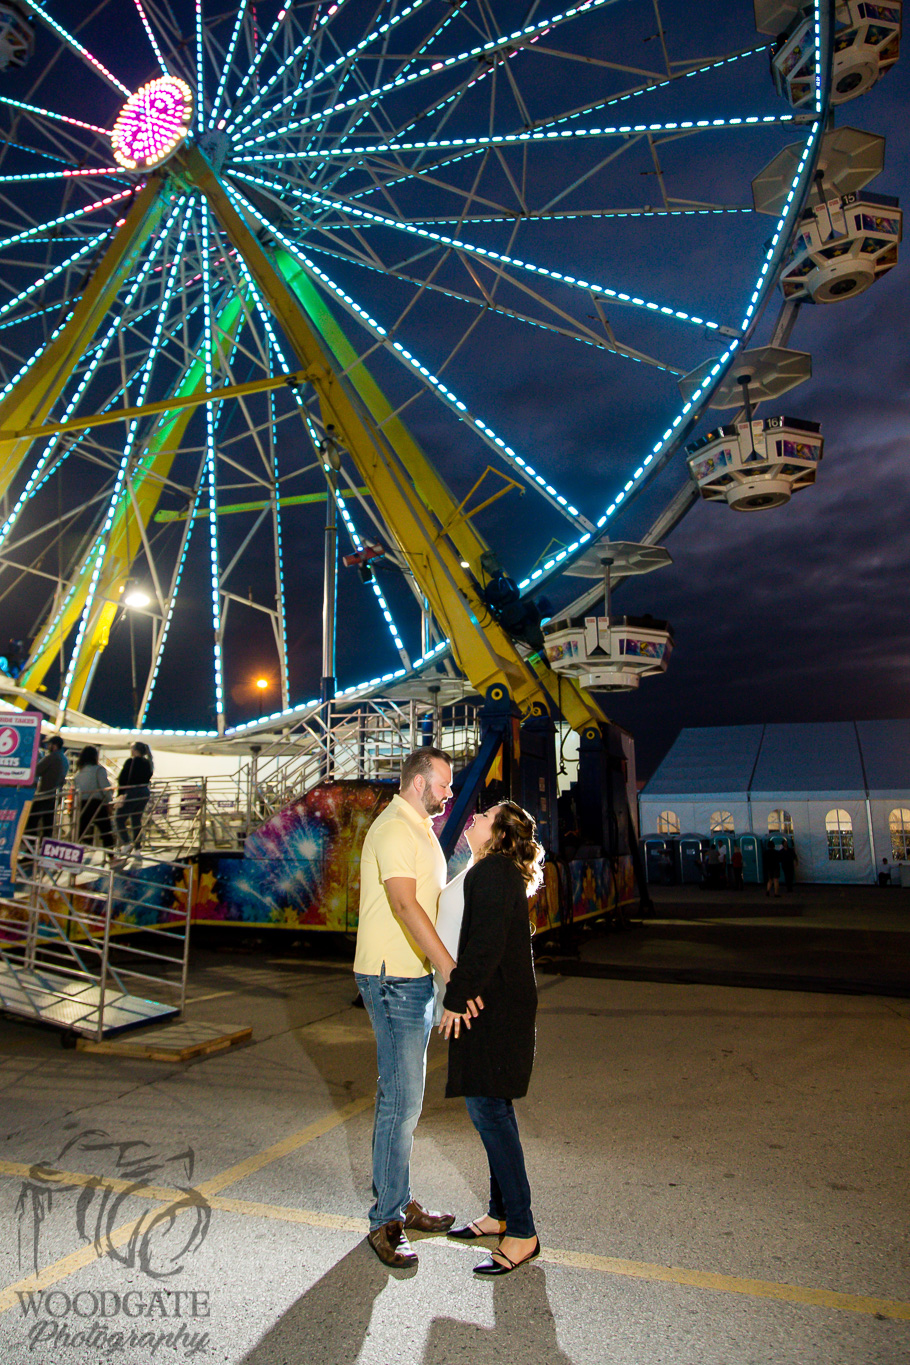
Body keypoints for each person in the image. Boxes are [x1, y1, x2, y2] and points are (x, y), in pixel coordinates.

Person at [353, 747, 481, 1269]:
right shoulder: (393, 829)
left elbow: (431, 894)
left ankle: (399, 1200)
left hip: (411, 977)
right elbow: (405, 905)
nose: (451, 793)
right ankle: (386, 1219)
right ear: (416, 782)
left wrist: (471, 856)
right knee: (400, 1101)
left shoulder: (419, 828)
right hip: (391, 979)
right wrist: (450, 968)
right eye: (445, 784)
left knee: (407, 1099)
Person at [440, 801, 545, 1277]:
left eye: (483, 817)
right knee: (492, 1107)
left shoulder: (494, 873)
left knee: (489, 1111)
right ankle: (500, 1214)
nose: (473, 818)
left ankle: (522, 1232)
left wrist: (456, 998)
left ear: (499, 833)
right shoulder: (494, 871)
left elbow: (483, 945)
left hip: (495, 1008)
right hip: (499, 1002)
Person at [73, 746, 115, 851]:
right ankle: (111, 856)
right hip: (96, 804)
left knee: (80, 831)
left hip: (82, 804)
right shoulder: (99, 770)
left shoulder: (78, 773)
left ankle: (75, 854)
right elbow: (105, 787)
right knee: (106, 830)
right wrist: (109, 801)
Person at [29, 735, 68, 844]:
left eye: (49, 744)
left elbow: (36, 770)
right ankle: (45, 846)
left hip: (45, 794)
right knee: (48, 824)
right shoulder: (64, 758)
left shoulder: (52, 757)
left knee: (31, 822)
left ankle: (31, 846)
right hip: (55, 795)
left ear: (54, 746)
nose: (47, 746)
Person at [116, 742, 154, 848]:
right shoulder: (148, 762)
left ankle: (127, 843)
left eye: (131, 748)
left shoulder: (131, 761)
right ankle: (137, 847)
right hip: (144, 792)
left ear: (135, 750)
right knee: (136, 820)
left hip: (132, 791)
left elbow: (123, 778)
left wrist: (120, 794)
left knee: (119, 818)